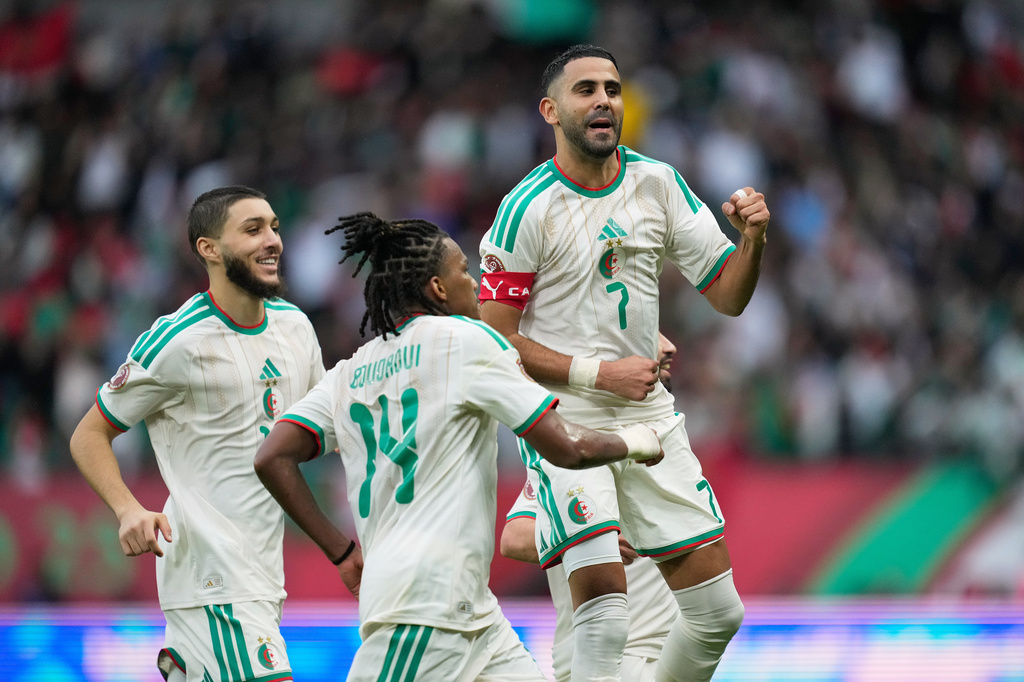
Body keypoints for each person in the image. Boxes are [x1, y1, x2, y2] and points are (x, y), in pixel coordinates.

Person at [252, 212, 664, 682]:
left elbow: (273, 455)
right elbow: (567, 446)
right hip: (422, 609)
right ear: (438, 288)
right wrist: (637, 440)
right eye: (465, 271)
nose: (477, 284)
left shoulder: (349, 372)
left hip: (472, 614)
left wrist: (342, 553)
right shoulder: (468, 341)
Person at [478, 44, 770, 681]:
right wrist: (596, 372)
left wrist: (753, 241)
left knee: (719, 614)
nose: (604, 99)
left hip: (652, 420)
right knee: (606, 614)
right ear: (551, 110)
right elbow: (492, 337)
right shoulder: (525, 208)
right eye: (586, 90)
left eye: (612, 88)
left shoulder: (657, 183)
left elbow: (728, 295)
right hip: (564, 422)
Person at [69, 186, 326, 682]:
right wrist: (127, 509)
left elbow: (325, 426)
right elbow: (89, 433)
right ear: (209, 249)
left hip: (262, 577)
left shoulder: (295, 327)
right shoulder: (178, 340)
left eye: (274, 226)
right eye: (252, 230)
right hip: (211, 578)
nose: (272, 240)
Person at [499, 333, 681, 682]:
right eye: (653, 333)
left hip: (659, 657)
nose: (669, 346)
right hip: (609, 660)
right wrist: (589, 539)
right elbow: (513, 537)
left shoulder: (665, 446)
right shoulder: (583, 455)